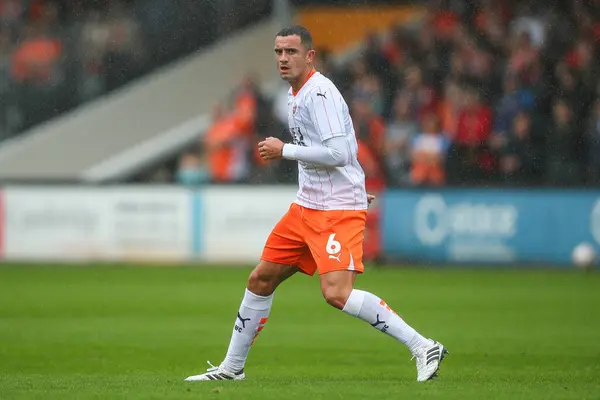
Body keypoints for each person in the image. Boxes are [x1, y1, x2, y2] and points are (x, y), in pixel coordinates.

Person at [184, 26, 447, 383]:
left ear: (309, 56)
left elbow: (340, 152)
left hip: (335, 211)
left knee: (336, 293)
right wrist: (352, 185)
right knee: (261, 279)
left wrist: (284, 150)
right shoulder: (294, 95)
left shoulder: (319, 93)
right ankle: (231, 369)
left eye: (291, 52)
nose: (282, 58)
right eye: (278, 52)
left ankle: (423, 346)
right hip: (307, 207)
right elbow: (337, 154)